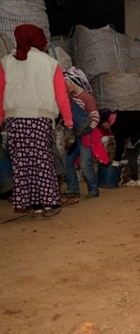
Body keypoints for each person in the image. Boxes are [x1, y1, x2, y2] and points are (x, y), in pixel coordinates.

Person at [0, 24, 73, 219]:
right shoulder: (49, 63)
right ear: (39, 39)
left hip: (14, 119)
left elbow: (0, 94)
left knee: (21, 163)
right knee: (42, 161)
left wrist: (0, 119)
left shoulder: (6, 62)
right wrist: (68, 120)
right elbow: (61, 95)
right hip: (39, 118)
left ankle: (35, 207)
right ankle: (48, 204)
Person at [62, 66, 105, 200]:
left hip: (86, 136)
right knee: (67, 161)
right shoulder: (70, 98)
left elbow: (95, 116)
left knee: (86, 165)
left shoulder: (86, 98)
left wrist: (88, 130)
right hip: (76, 136)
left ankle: (93, 189)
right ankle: (73, 189)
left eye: (66, 82)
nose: (64, 85)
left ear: (73, 81)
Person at [99, 109, 140, 187]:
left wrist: (116, 160)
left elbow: (120, 144)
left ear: (105, 121)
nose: (104, 127)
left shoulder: (115, 125)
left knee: (131, 152)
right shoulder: (119, 115)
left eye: (102, 125)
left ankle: (135, 180)